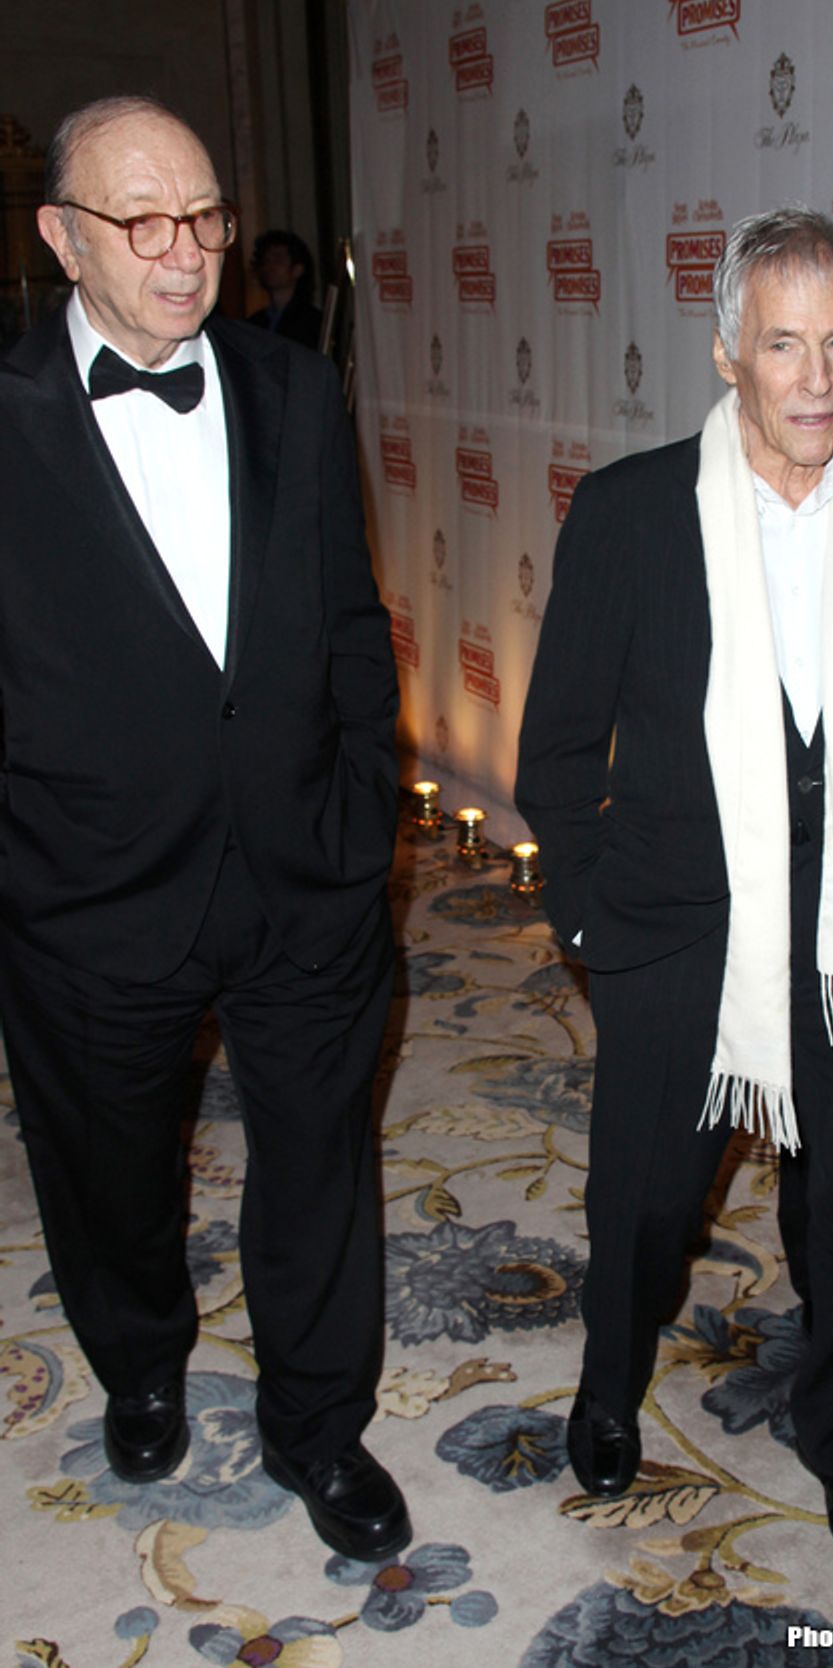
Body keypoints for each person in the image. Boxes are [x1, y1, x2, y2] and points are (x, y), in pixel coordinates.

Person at [516, 206, 833, 1570]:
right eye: (785, 344)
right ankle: (611, 1383)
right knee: (647, 1201)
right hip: (675, 927)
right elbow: (553, 750)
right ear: (728, 352)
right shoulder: (631, 511)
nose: (819, 378)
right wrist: (593, 918)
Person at [0, 96, 408, 1560]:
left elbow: (352, 625)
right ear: (60, 238)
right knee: (108, 1175)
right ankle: (143, 1358)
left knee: (320, 1167)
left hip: (307, 874)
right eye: (144, 224)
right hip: (88, 901)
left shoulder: (294, 388)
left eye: (208, 219)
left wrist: (365, 817)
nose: (189, 258)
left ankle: (319, 1425)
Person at [248, 228, 323, 349]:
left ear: (297, 269)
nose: (269, 266)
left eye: (278, 260)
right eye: (266, 260)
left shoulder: (313, 323)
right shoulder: (255, 323)